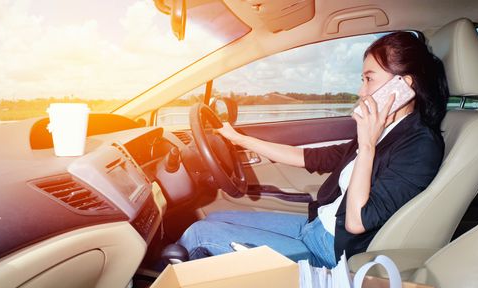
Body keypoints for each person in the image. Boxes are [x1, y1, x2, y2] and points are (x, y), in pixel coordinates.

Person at [177, 31, 449, 267]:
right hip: (314, 228)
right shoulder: (385, 130)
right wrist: (240, 139)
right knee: (217, 217)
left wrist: (367, 145)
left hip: (331, 254)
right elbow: (307, 157)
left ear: (405, 85)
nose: (361, 90)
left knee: (198, 235)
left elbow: (356, 223)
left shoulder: (420, 146)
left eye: (369, 79)